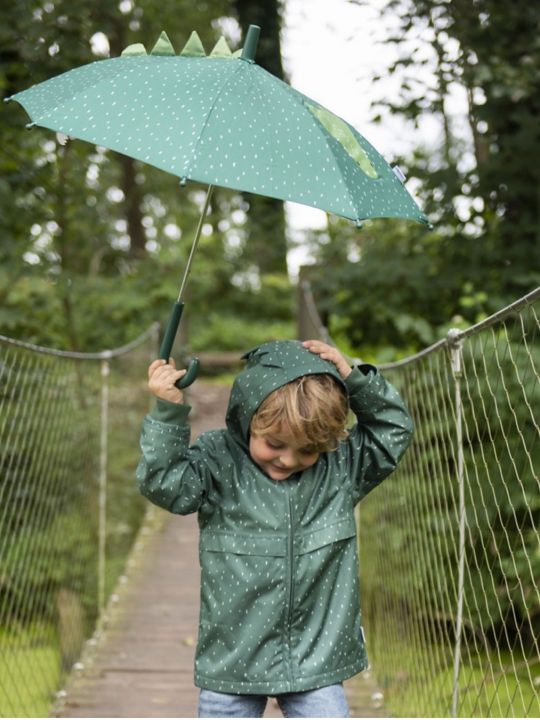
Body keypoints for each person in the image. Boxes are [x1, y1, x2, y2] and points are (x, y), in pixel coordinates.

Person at [136, 339, 413, 718]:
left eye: (307, 450)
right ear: (247, 417)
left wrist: (353, 379)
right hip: (232, 658)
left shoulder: (339, 470)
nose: (288, 459)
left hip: (316, 660)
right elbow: (165, 485)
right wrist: (168, 412)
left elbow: (392, 431)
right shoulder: (219, 461)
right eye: (274, 443)